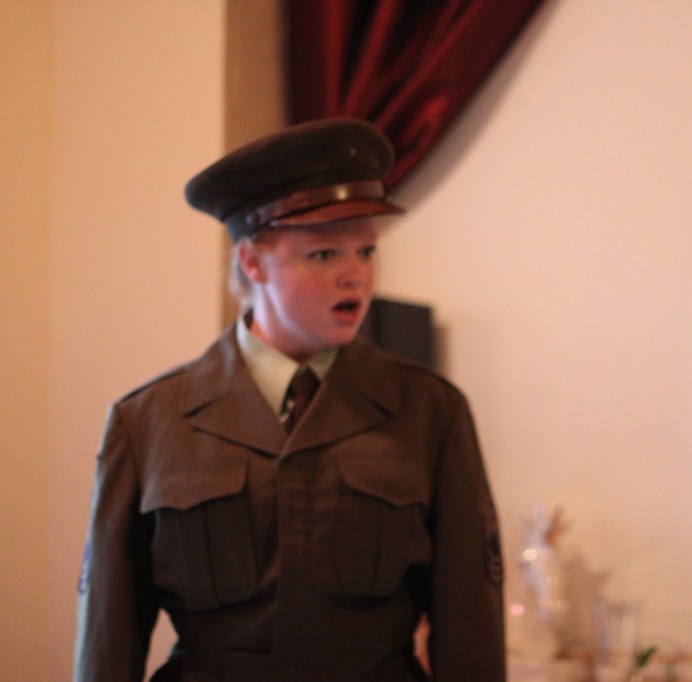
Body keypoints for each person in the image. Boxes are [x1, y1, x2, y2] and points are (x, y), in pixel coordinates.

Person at [74, 119, 506, 682]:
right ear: (253, 263)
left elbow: (469, 623)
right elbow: (108, 633)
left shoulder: (429, 411)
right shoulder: (149, 421)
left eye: (367, 252)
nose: (356, 276)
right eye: (325, 255)